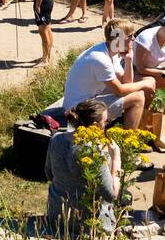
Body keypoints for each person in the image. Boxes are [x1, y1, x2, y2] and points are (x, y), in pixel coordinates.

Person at [62, 20, 157, 128]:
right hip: (77, 110)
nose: (134, 38)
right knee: (138, 97)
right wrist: (144, 84)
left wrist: (129, 60)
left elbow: (126, 82)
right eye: (130, 36)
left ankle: (135, 125)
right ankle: (128, 141)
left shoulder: (110, 50)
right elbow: (120, 91)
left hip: (87, 100)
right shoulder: (101, 59)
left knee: (140, 87)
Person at [46, 98, 121, 232]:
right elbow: (112, 194)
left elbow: (49, 174)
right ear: (95, 125)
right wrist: (115, 159)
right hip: (88, 224)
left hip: (56, 217)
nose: (107, 125)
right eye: (106, 122)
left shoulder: (56, 139)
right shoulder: (94, 152)